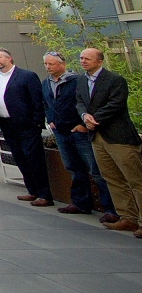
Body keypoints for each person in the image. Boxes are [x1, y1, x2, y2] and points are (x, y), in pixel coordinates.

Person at [75, 47, 142, 235]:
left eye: (87, 58)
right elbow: (79, 100)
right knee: (113, 179)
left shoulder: (115, 80)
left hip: (119, 137)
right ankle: (127, 217)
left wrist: (93, 118)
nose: (83, 61)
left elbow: (116, 103)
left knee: (135, 180)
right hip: (97, 138)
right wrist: (84, 115)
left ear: (99, 61)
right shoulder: (81, 80)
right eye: (81, 58)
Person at [42, 51, 115, 217]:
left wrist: (83, 125)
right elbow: (46, 103)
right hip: (60, 132)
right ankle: (80, 203)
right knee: (74, 169)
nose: (48, 67)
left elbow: (84, 103)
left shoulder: (76, 81)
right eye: (46, 64)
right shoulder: (46, 83)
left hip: (79, 132)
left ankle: (110, 209)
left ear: (62, 64)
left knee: (96, 170)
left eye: (51, 64)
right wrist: (51, 120)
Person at [0, 48, 52, 206]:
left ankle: (44, 194)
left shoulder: (27, 76)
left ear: (9, 58)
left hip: (27, 124)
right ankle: (32, 190)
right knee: (19, 158)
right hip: (6, 124)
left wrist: (37, 121)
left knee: (34, 158)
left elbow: (37, 100)